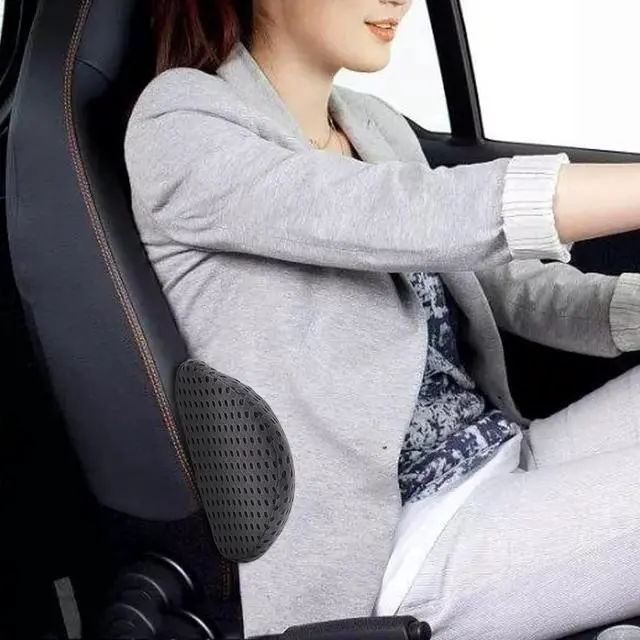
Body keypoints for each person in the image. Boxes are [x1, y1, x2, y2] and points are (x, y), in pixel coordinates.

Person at [124, 1, 640, 638]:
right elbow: (395, 212)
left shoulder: (374, 124)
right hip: (399, 545)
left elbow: (511, 286)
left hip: (499, 452)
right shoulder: (180, 123)